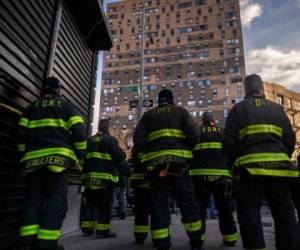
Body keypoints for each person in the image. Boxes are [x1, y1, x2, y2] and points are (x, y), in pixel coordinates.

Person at [223, 74, 300, 250]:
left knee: (250, 216)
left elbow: (228, 143)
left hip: (249, 172)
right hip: (279, 171)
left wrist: (235, 163)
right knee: (284, 213)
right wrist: (280, 157)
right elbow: (289, 139)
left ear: (246, 89)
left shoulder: (238, 109)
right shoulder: (277, 110)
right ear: (261, 88)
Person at [17, 77, 87, 250]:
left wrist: (23, 154)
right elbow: (79, 134)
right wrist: (78, 157)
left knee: (33, 200)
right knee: (56, 201)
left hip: (33, 164)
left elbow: (20, 134)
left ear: (43, 91)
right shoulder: (67, 107)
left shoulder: (30, 108)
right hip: (58, 163)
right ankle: (47, 243)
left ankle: (27, 241)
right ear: (59, 90)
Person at [133, 89, 203, 250]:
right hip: (178, 164)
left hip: (156, 165)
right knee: (187, 201)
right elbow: (194, 135)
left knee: (158, 203)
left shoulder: (148, 116)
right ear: (171, 99)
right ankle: (196, 240)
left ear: (159, 100)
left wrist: (148, 154)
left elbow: (138, 140)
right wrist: (187, 151)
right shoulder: (181, 111)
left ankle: (162, 242)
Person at [190, 112, 238, 247]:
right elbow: (231, 152)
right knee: (224, 208)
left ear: (202, 120)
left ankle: (197, 240)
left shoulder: (197, 133)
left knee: (199, 209)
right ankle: (230, 238)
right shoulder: (222, 132)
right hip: (221, 176)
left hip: (199, 176)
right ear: (213, 120)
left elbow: (189, 153)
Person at [80, 119, 125, 238]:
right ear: (107, 128)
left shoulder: (89, 140)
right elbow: (119, 156)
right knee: (104, 205)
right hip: (104, 179)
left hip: (89, 179)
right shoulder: (109, 140)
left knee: (89, 203)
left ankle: (87, 229)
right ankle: (102, 231)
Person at [130, 148, 151, 245]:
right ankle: (158, 238)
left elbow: (134, 160)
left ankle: (140, 236)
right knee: (157, 209)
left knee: (141, 210)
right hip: (153, 182)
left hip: (139, 181)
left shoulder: (137, 147)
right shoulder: (155, 143)